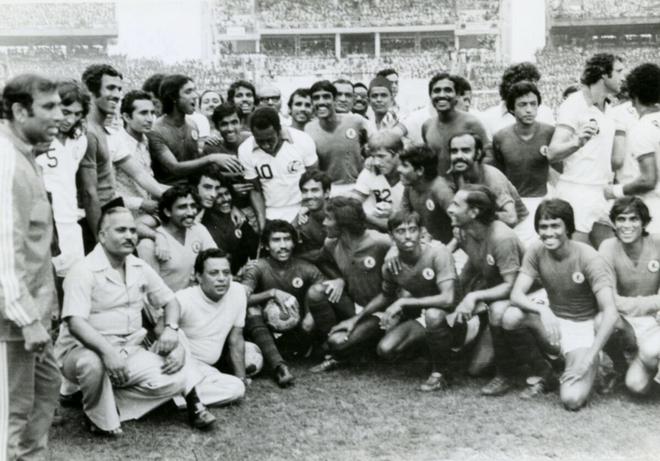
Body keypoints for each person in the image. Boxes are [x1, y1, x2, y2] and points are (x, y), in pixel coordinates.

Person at [54, 207, 215, 435]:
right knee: (92, 362)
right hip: (82, 352)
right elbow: (75, 323)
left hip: (130, 351)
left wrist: (171, 329)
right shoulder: (83, 270)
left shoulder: (138, 266)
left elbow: (171, 302)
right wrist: (108, 352)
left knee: (178, 378)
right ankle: (98, 419)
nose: (130, 236)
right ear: (102, 236)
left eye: (132, 230)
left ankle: (104, 398)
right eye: (121, 230)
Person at [1, 73, 62, 460]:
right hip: (14, 326)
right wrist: (26, 320)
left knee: (45, 395)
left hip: (33, 320)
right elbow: (5, 254)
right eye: (50, 108)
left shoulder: (27, 158)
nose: (60, 115)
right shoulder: (7, 163)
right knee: (13, 416)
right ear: (21, 111)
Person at [507, 199, 619, 410]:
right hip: (555, 323)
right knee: (511, 316)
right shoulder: (536, 250)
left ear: (568, 227)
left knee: (572, 399)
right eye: (543, 226)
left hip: (582, 328)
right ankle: (544, 372)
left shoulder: (588, 257)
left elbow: (610, 313)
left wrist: (588, 357)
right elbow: (516, 294)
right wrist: (542, 309)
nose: (549, 232)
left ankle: (596, 362)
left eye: (555, 225)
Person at [448, 185, 528, 397]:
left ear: (474, 213)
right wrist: (458, 296)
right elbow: (475, 263)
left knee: (498, 311)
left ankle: (506, 373)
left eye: (456, 204)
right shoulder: (465, 231)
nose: (449, 209)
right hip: (496, 291)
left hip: (527, 295)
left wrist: (474, 296)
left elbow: (512, 286)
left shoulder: (503, 237)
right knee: (475, 369)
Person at [240, 220, 340, 386]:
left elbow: (321, 291)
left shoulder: (306, 268)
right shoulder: (257, 268)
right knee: (252, 310)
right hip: (266, 333)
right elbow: (240, 298)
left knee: (316, 305)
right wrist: (271, 293)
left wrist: (309, 313)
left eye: (287, 239)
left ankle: (313, 350)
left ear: (294, 242)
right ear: (266, 245)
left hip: (298, 332)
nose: (283, 245)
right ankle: (279, 367)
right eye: (276, 240)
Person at [78, 64, 165, 249]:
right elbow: (90, 193)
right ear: (91, 92)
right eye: (110, 88)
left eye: (119, 89)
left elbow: (140, 175)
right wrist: (99, 239)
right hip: (94, 217)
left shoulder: (110, 132)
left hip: (112, 211)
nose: (117, 95)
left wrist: (174, 195)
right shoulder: (88, 132)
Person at [548, 53, 625, 248]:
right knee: (577, 261)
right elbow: (553, 152)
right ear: (603, 75)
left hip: (602, 192)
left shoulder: (609, 109)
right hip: (577, 192)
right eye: (618, 71)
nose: (622, 77)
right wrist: (577, 141)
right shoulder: (574, 104)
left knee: (609, 257)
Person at [379, 211, 459, 389]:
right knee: (386, 349)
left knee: (433, 315)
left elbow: (448, 299)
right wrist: (356, 319)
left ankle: (441, 373)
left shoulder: (438, 253)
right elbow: (386, 296)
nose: (408, 236)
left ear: (421, 231)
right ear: (391, 236)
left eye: (412, 229)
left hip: (460, 316)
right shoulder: (391, 265)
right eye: (400, 231)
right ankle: (436, 353)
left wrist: (403, 302)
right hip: (429, 318)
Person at [311, 197, 392, 372]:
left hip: (382, 310)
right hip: (354, 305)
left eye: (329, 218)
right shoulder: (331, 243)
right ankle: (338, 351)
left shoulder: (379, 242)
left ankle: (354, 349)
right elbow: (321, 261)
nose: (324, 222)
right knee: (316, 293)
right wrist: (340, 278)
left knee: (337, 343)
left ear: (344, 223)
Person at [174, 249, 252, 406]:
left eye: (226, 273)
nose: (222, 279)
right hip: (179, 365)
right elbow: (162, 332)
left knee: (237, 388)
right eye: (214, 273)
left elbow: (236, 339)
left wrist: (241, 379)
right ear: (198, 277)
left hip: (204, 369)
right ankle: (183, 395)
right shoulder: (183, 299)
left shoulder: (238, 292)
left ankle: (178, 398)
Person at [599, 197, 660, 395]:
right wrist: (656, 302)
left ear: (644, 223)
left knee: (646, 366)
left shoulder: (657, 244)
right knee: (602, 321)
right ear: (613, 223)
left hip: (656, 321)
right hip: (628, 322)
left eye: (633, 219)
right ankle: (621, 368)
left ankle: (650, 362)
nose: (627, 225)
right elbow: (610, 301)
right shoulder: (607, 247)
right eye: (621, 219)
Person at [35, 80, 89, 278]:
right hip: (44, 222)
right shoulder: (36, 138)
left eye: (77, 114)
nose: (70, 119)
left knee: (75, 280)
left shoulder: (79, 140)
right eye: (66, 112)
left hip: (70, 220)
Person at [148, 74, 243, 185]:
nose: (196, 95)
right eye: (188, 92)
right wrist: (211, 158)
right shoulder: (156, 130)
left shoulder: (192, 125)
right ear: (173, 97)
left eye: (194, 90)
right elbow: (174, 168)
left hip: (194, 190)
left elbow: (195, 164)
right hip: (170, 193)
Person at [493, 82, 555, 240]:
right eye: (522, 105)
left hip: (542, 202)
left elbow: (559, 168)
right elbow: (497, 176)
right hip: (514, 205)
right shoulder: (500, 137)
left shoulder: (549, 133)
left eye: (533, 104)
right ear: (512, 109)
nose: (529, 109)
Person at [239, 106, 318, 229]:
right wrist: (262, 223)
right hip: (271, 211)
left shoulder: (302, 140)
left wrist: (305, 209)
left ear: (279, 130)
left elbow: (314, 179)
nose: (265, 145)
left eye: (270, 140)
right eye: (260, 141)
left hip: (302, 208)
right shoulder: (245, 150)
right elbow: (255, 191)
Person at [604, 63, 660, 233]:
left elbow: (648, 180)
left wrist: (615, 191)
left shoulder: (642, 128)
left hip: (653, 210)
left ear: (633, 94)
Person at [138, 185, 216, 292]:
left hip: (195, 301)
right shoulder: (148, 245)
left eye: (193, 206)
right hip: (168, 305)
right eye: (182, 207)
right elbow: (151, 292)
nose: (191, 212)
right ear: (167, 212)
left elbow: (216, 261)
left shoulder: (198, 229)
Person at [448, 132, 528, 229]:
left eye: (465, 150)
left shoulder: (492, 178)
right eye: (454, 151)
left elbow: (511, 218)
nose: (458, 156)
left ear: (478, 154)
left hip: (519, 228)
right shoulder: (458, 172)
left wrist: (478, 214)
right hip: (488, 224)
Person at [305, 80, 371, 196]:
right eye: (316, 98)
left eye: (326, 97)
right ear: (311, 102)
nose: (321, 102)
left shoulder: (356, 121)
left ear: (334, 100)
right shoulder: (308, 129)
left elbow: (378, 142)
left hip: (358, 187)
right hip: (329, 190)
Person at [420, 73, 491, 177]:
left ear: (457, 95)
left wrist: (470, 177)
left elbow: (489, 157)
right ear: (430, 96)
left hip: (467, 187)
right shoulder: (427, 126)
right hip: (440, 188)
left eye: (448, 90)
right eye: (437, 90)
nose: (442, 95)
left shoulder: (471, 123)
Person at [113, 90, 162, 239]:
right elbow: (106, 192)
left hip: (146, 217)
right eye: (143, 113)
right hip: (123, 219)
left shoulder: (145, 140)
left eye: (152, 113)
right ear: (126, 117)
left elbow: (148, 179)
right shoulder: (115, 143)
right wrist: (140, 203)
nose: (150, 119)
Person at [194, 167, 259, 274]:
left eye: (227, 193)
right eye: (219, 196)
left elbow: (253, 247)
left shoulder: (238, 218)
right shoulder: (201, 221)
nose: (225, 199)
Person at [397, 145, 455, 244]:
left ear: (420, 170)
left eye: (405, 165)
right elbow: (401, 219)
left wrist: (448, 250)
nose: (398, 169)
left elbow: (464, 225)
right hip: (423, 246)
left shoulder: (442, 191)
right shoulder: (410, 187)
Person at [481, 62, 555, 137]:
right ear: (509, 87)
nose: (532, 92)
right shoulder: (488, 118)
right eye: (525, 89)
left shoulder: (545, 113)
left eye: (534, 88)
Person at [351, 131, 404, 231]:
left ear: (398, 154)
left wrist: (393, 214)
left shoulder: (409, 173)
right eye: (373, 156)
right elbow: (352, 204)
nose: (376, 162)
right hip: (375, 230)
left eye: (381, 156)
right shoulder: (370, 171)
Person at [294, 169, 331, 260]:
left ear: (326, 193)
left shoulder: (341, 211)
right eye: (305, 191)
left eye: (314, 190)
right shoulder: (302, 221)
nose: (309, 196)